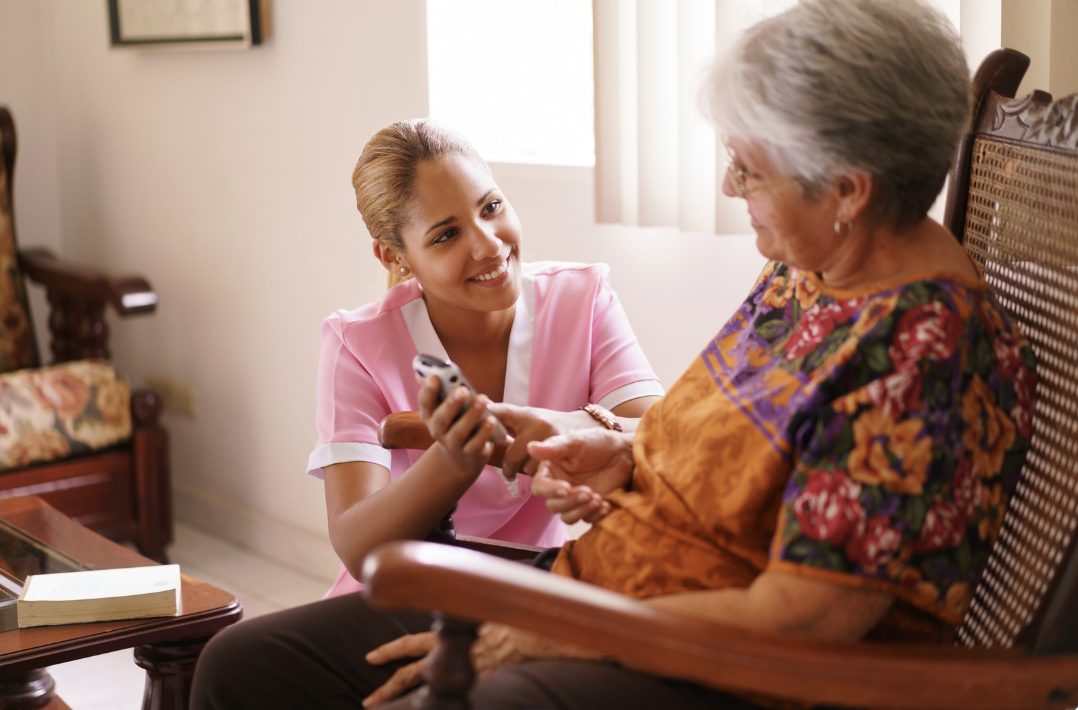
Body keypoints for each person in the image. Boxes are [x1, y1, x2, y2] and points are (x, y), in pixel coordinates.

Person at [190, 1, 1036, 708]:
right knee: (242, 667)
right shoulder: (816, 271)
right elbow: (743, 453)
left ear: (847, 190)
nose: (728, 190)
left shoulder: (918, 357)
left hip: (714, 669)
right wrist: (622, 452)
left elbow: (805, 620)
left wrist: (566, 630)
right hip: (603, 588)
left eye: (748, 170)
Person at [311, 119, 663, 597]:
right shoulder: (356, 343)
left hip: (533, 594)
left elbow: (661, 438)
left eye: (491, 207)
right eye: (446, 235)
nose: (489, 244)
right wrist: (454, 462)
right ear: (395, 257)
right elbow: (357, 548)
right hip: (404, 595)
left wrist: (569, 424)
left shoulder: (585, 297)